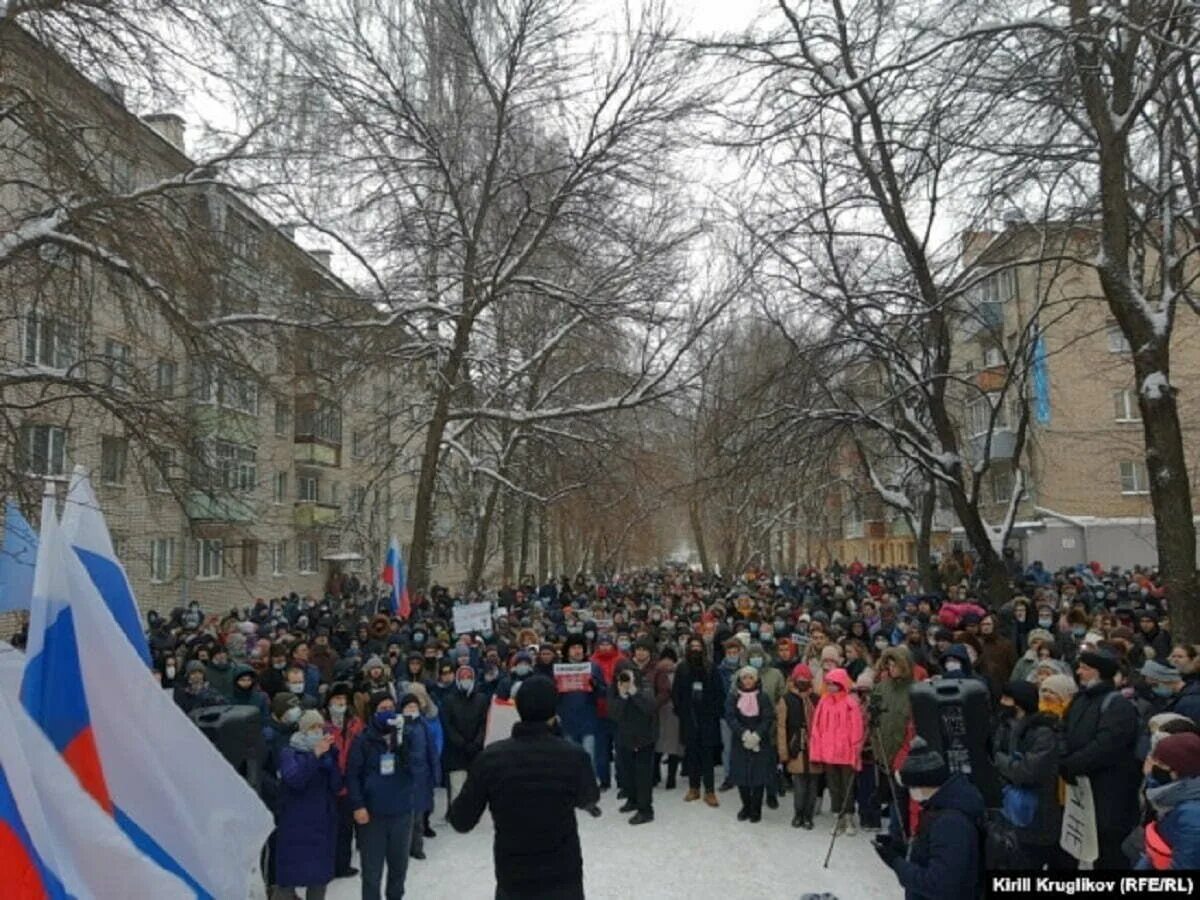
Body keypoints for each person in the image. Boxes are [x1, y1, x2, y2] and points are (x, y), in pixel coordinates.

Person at [448, 675, 600, 900]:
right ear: (554, 711)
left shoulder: (491, 758)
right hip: (563, 876)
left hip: (514, 877)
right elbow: (589, 797)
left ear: (517, 708)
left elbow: (461, 820)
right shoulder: (574, 756)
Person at [873, 737, 985, 900]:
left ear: (921, 784)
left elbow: (939, 884)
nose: (909, 793)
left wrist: (896, 863)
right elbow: (934, 857)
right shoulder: (940, 807)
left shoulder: (950, 822)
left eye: (909, 787)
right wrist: (902, 850)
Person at [1060, 647, 1140, 870]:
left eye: (1084, 668)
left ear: (1098, 672)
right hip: (1080, 789)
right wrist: (1064, 758)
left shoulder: (1118, 705)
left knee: (1108, 851)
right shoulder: (1079, 699)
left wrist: (1073, 763)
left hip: (1109, 793)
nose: (1079, 672)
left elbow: (1107, 746)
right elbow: (1062, 730)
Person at [348, 695, 416, 900]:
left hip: (401, 812)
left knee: (399, 868)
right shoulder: (363, 740)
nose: (388, 711)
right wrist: (358, 805)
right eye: (382, 708)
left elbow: (415, 767)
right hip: (372, 815)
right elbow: (352, 775)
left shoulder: (407, 734)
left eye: (390, 707)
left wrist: (402, 744)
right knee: (372, 872)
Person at [993, 680, 1063, 870]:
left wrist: (998, 760)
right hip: (1008, 812)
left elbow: (1026, 771)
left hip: (1037, 812)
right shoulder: (1004, 725)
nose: (1002, 702)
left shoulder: (1043, 733)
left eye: (1007, 698)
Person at [275, 710, 341, 900]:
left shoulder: (326, 752)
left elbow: (337, 785)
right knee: (289, 878)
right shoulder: (289, 752)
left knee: (318, 879)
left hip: (322, 823)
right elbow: (295, 779)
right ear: (303, 730)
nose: (317, 731)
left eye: (320, 727)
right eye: (313, 727)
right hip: (296, 824)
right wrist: (315, 756)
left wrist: (332, 760)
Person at [810, 667, 864, 835]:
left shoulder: (850, 702)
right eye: (829, 684)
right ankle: (837, 816)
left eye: (834, 684)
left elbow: (857, 728)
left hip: (845, 752)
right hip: (828, 752)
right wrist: (817, 749)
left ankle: (848, 816)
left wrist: (855, 748)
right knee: (833, 786)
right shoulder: (824, 701)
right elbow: (817, 727)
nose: (831, 687)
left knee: (847, 785)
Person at [672, 634, 724, 806]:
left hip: (708, 719)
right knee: (691, 755)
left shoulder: (711, 667)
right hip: (689, 718)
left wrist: (713, 712)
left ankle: (709, 791)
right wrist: (682, 711)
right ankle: (693, 788)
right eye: (692, 646)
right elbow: (676, 693)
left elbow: (719, 693)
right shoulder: (682, 668)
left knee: (708, 756)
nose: (695, 649)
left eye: (698, 646)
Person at [1137, 732, 1200, 870]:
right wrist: (1149, 777)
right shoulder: (1174, 793)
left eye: (1160, 763)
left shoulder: (1192, 816)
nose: (1154, 766)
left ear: (1178, 771)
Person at [724, 665, 775, 823]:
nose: (747, 681)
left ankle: (756, 808)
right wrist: (744, 734)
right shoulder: (734, 697)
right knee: (742, 776)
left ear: (756, 679)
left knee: (758, 776)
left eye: (751, 678)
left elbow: (768, 718)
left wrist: (757, 735)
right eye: (744, 677)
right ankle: (746, 805)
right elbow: (730, 717)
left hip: (760, 741)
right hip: (740, 741)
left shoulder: (763, 697)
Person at [610, 661, 657, 824]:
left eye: (627, 672)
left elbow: (650, 707)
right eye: (620, 673)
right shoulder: (614, 688)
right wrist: (622, 695)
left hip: (644, 737)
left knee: (642, 775)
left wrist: (633, 691)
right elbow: (613, 713)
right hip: (624, 737)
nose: (624, 676)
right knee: (627, 772)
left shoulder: (644, 684)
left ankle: (646, 810)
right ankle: (633, 800)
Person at [777, 663, 822, 829]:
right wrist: (783, 751)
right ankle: (798, 813)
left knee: (813, 784)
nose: (803, 680)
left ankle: (808, 815)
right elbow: (781, 727)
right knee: (799, 784)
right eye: (799, 677)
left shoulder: (816, 699)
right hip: (795, 746)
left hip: (814, 746)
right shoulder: (787, 699)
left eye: (805, 677)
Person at [325, 682, 362, 880]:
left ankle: (343, 864)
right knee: (329, 827)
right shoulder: (322, 722)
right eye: (336, 698)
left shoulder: (355, 723)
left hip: (349, 780)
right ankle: (327, 865)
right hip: (328, 782)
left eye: (343, 699)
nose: (340, 702)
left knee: (346, 827)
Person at [398, 693, 440, 861]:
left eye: (414, 707)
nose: (411, 710)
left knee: (418, 818)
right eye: (408, 707)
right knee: (403, 818)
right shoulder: (397, 726)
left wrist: (435, 773)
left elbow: (432, 751)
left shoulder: (424, 725)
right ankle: (402, 849)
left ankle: (417, 847)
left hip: (422, 776)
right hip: (403, 777)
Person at [441, 664, 488, 808]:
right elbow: (447, 725)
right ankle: (455, 812)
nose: (466, 680)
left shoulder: (482, 699)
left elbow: (484, 723)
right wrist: (461, 743)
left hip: (476, 749)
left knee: (475, 785)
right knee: (457, 785)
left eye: (469, 677)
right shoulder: (449, 700)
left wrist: (477, 742)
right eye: (462, 677)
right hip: (456, 751)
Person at [653, 646, 684, 790]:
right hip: (666, 712)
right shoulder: (659, 674)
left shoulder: (657, 671)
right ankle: (664, 777)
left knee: (665, 746)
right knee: (666, 747)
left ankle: (662, 776)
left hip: (665, 711)